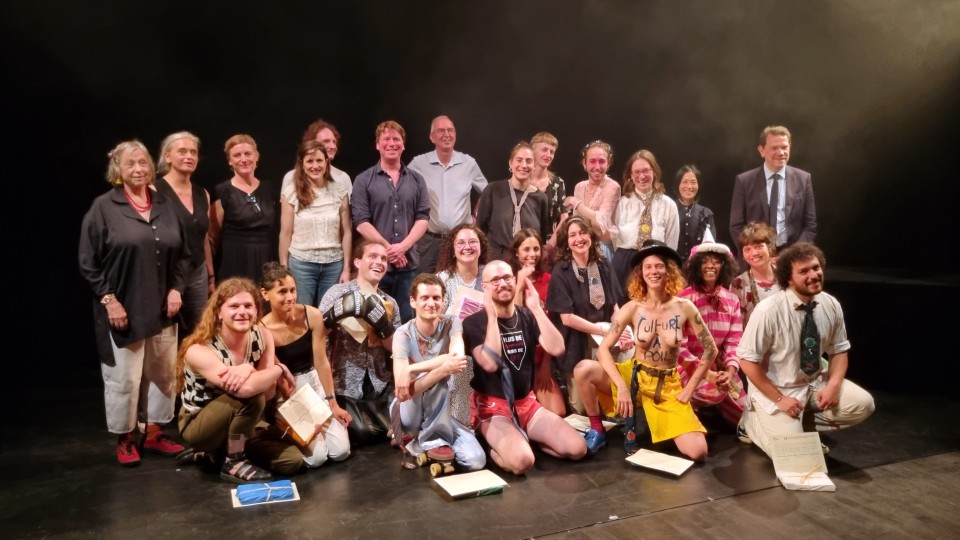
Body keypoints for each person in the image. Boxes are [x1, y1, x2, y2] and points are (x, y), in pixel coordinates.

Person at [79, 140, 191, 467]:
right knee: (125, 378)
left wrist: (176, 290)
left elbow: (184, 254)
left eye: (143, 163)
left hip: (163, 307)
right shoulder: (104, 207)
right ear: (118, 169)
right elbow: (88, 260)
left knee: (162, 374)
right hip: (123, 309)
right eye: (131, 164)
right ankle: (126, 437)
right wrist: (108, 299)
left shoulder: (164, 203)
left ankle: (154, 433)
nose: (139, 169)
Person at [575, 240, 716, 460]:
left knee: (698, 452)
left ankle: (659, 422)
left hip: (666, 385)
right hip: (634, 376)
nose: (653, 271)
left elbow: (711, 350)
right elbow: (603, 349)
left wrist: (689, 388)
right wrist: (621, 386)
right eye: (647, 267)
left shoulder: (684, 307)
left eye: (659, 266)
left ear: (668, 270)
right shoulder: (632, 307)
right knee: (584, 368)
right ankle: (597, 429)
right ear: (641, 273)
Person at [736, 243, 874, 458]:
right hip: (778, 390)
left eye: (816, 268)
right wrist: (780, 400)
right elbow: (746, 361)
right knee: (795, 457)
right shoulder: (768, 311)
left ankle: (802, 427)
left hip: (813, 383)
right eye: (804, 271)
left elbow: (838, 351)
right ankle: (752, 423)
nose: (814, 275)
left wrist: (833, 386)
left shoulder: (830, 304)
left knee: (863, 404)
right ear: (788, 278)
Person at [463, 261, 588, 475]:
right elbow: (490, 362)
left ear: (514, 280)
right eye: (495, 280)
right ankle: (495, 447)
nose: (502, 283)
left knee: (578, 449)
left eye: (507, 277)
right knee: (522, 462)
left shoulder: (527, 315)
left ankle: (525, 439)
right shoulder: (474, 322)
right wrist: (492, 318)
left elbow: (557, 347)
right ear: (484, 287)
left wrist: (537, 310)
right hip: (494, 409)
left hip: (527, 405)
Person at [177, 278, 302, 483]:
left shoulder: (263, 336)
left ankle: (217, 453)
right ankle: (232, 461)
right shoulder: (199, 349)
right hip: (200, 424)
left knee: (292, 461)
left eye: (248, 306)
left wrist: (252, 371)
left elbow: (269, 391)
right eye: (233, 306)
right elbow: (245, 390)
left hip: (243, 420)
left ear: (256, 310)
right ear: (219, 312)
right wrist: (278, 369)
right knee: (253, 397)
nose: (242, 312)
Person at [258, 262, 352, 468]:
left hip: (315, 382)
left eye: (292, 290)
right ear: (265, 294)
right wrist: (303, 416)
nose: (290, 297)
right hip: (289, 391)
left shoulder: (312, 315)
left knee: (341, 452)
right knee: (317, 458)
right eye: (282, 291)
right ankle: (280, 425)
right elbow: (280, 378)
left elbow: (321, 361)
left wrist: (332, 403)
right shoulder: (262, 328)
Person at [390, 274, 486, 471]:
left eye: (436, 298)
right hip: (408, 411)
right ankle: (432, 441)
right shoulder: (403, 334)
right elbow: (403, 390)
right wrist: (441, 369)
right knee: (439, 382)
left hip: (440, 410)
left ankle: (419, 444)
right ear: (413, 301)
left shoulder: (452, 323)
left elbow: (457, 357)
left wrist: (412, 368)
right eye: (424, 298)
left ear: (444, 301)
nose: (431, 303)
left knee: (476, 460)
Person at [317, 239, 402, 446]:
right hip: (344, 382)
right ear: (357, 262)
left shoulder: (391, 302)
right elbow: (319, 335)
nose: (379, 262)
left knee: (397, 427)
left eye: (383, 259)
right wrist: (335, 314)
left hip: (378, 383)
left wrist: (384, 327)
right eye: (372, 256)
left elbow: (397, 349)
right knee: (363, 433)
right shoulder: (337, 292)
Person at [545, 218, 628, 418]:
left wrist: (619, 332)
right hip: (577, 341)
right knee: (582, 410)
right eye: (572, 235)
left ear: (591, 235)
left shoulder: (603, 264)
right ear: (566, 241)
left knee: (613, 407)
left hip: (606, 336)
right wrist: (602, 330)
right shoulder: (561, 271)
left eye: (583, 233)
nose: (579, 239)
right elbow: (567, 318)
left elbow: (615, 305)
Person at [351, 120, 430, 323]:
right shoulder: (363, 180)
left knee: (406, 321)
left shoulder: (417, 180)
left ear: (403, 145)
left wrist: (403, 247)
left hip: (408, 265)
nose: (392, 143)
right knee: (373, 322)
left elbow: (423, 218)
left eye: (396, 139)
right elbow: (361, 221)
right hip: (374, 267)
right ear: (378, 144)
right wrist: (389, 250)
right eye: (386, 139)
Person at [676, 240, 747, 429]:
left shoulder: (731, 300)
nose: (710, 266)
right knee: (707, 395)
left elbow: (734, 341)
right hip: (688, 367)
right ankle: (693, 408)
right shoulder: (683, 299)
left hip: (720, 367)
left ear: (724, 266)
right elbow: (678, 347)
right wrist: (706, 374)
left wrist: (730, 371)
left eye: (715, 261)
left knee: (746, 420)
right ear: (696, 265)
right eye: (704, 261)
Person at [408, 115, 488, 274]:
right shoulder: (418, 163)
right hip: (429, 241)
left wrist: (476, 215)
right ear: (432, 137)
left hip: (459, 241)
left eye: (450, 130)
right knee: (426, 284)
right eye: (441, 130)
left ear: (455, 135)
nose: (447, 134)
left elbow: (487, 192)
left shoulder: (468, 163)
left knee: (459, 286)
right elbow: (402, 190)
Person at [279, 140, 352, 307]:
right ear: (302, 164)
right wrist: (284, 270)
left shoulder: (339, 190)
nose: (315, 166)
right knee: (302, 315)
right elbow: (285, 232)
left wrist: (346, 268)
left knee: (328, 318)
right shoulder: (291, 192)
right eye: (310, 161)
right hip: (301, 265)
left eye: (319, 160)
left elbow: (346, 231)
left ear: (326, 162)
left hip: (333, 265)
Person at [154, 131, 213, 339]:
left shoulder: (202, 193)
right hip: (167, 273)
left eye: (193, 152)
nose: (189, 156)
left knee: (198, 333)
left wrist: (211, 274)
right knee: (166, 335)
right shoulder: (153, 191)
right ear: (167, 156)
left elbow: (204, 237)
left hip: (197, 272)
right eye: (182, 151)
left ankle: (192, 372)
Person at [729, 125, 817, 254]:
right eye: (774, 148)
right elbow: (736, 226)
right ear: (762, 150)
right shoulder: (744, 181)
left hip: (792, 257)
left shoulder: (803, 179)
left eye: (784, 147)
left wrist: (792, 255)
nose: (780, 153)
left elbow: (810, 226)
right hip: (756, 258)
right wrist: (757, 253)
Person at [435, 223, 490, 427]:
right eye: (461, 242)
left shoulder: (490, 274)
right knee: (462, 366)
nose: (467, 247)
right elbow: (434, 322)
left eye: (472, 242)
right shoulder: (443, 279)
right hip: (453, 348)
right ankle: (461, 425)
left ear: (481, 246)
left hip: (487, 345)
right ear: (453, 248)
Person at [508, 228, 565, 416]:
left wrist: (547, 365)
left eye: (536, 249)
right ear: (516, 252)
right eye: (526, 249)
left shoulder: (549, 280)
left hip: (542, 359)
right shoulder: (507, 281)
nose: (532, 254)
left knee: (558, 413)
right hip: (517, 360)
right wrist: (520, 285)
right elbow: (513, 322)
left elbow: (554, 325)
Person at [209, 134, 279, 284]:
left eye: (248, 154)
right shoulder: (223, 191)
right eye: (237, 155)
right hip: (234, 260)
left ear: (257, 156)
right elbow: (213, 236)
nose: (243, 159)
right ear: (229, 160)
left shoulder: (269, 188)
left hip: (265, 259)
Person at [608, 149, 680, 290]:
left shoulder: (668, 204)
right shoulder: (622, 203)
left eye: (646, 170)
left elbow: (671, 242)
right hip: (624, 263)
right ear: (631, 175)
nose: (641, 176)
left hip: (656, 263)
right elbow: (614, 239)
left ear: (654, 172)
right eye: (636, 172)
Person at [476, 142, 550, 261]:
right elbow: (480, 229)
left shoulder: (541, 198)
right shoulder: (493, 190)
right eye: (519, 160)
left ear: (535, 165)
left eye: (529, 161)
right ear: (511, 163)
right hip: (497, 261)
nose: (524, 165)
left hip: (527, 262)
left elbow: (542, 236)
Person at [563, 140, 620, 261]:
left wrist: (576, 203)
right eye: (592, 161)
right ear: (584, 164)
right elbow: (577, 221)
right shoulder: (579, 187)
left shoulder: (613, 186)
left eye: (602, 161)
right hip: (582, 246)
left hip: (603, 248)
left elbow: (600, 223)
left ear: (608, 164)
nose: (597, 167)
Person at [281, 118, 353, 196]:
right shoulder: (291, 177)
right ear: (311, 143)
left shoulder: (343, 177)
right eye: (326, 141)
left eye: (334, 142)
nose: (333, 146)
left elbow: (346, 207)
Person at [729, 221, 781, 325]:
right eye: (747, 249)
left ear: (769, 248)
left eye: (759, 246)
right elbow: (737, 327)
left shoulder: (787, 275)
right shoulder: (738, 284)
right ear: (743, 255)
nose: (754, 253)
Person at [529, 132, 568, 266]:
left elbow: (564, 217)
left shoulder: (557, 183)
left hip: (550, 245)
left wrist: (551, 244)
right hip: (525, 243)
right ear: (532, 150)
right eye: (544, 150)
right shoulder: (521, 180)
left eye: (552, 151)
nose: (549, 155)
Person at [674, 165, 717, 263]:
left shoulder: (706, 213)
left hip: (697, 266)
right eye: (684, 182)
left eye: (693, 182)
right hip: (672, 266)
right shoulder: (669, 209)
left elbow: (710, 244)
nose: (689, 186)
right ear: (678, 184)